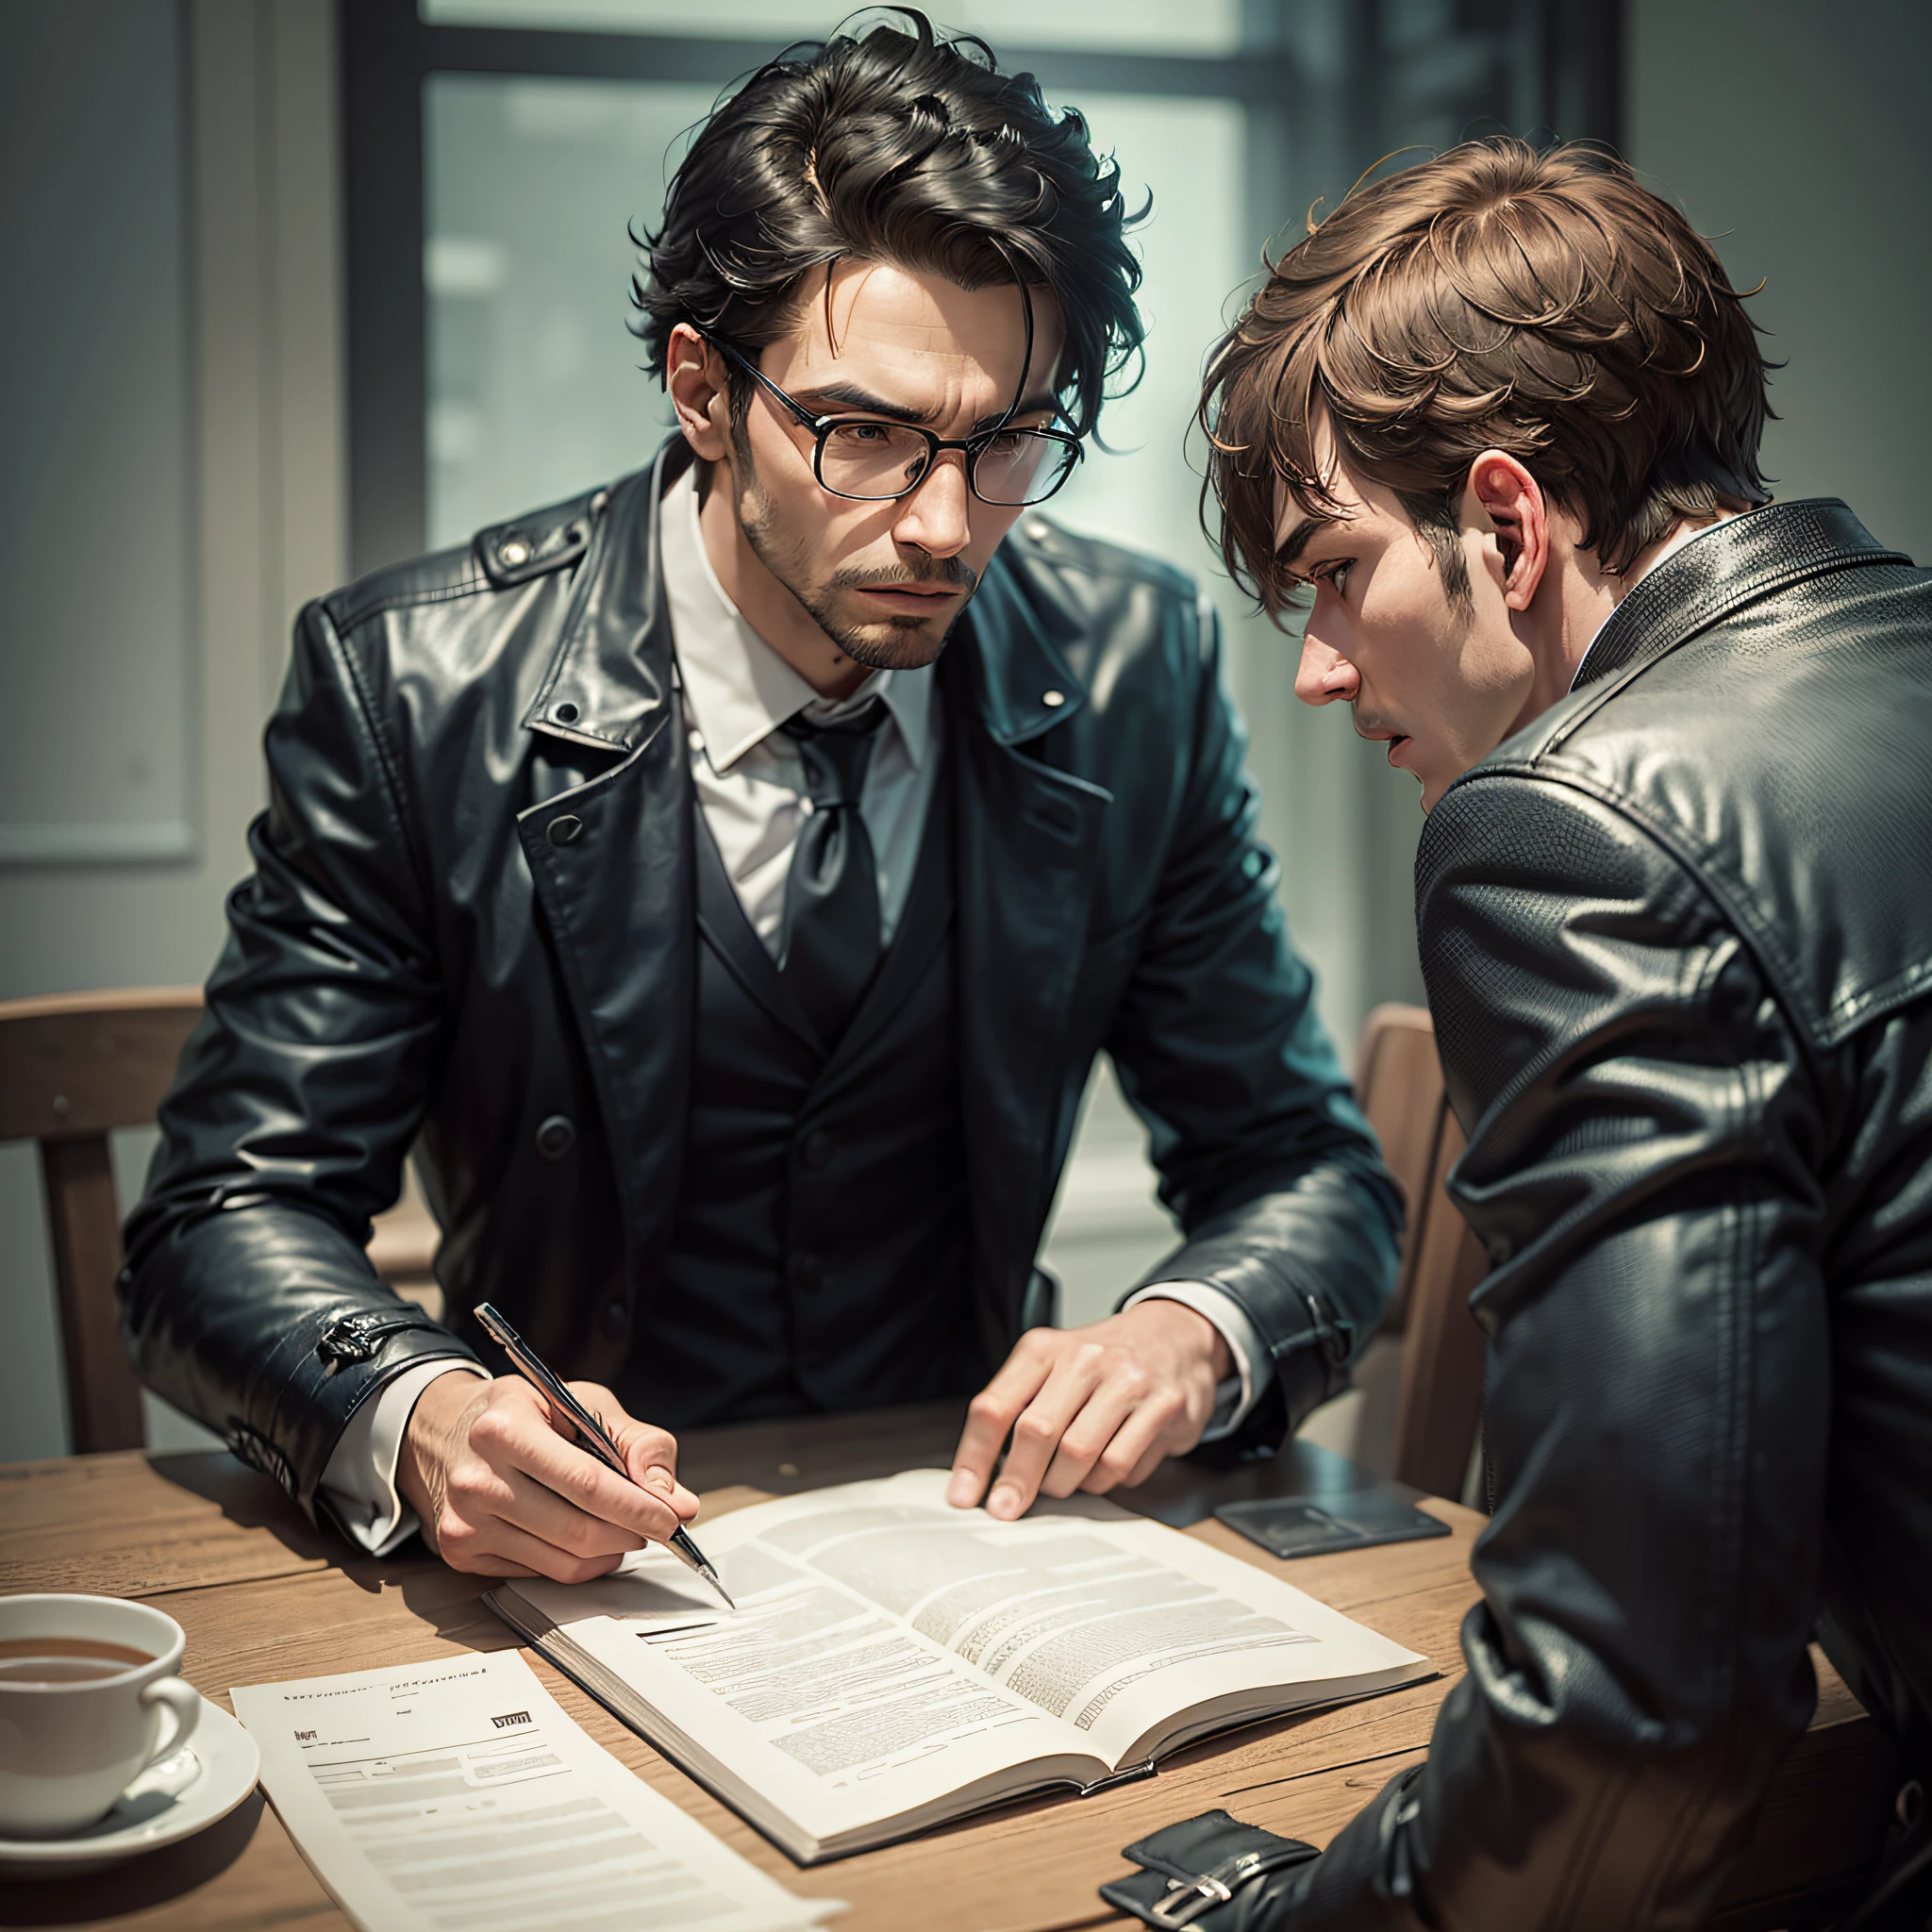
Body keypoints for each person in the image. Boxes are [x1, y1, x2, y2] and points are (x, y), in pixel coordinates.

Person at [122, 13, 1400, 1588]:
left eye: (1009, 441)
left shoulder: (1132, 669)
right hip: (579, 1576)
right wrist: (426, 1413)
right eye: (864, 433)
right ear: (702, 392)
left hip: (984, 1554)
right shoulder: (416, 691)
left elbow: (1304, 1169)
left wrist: (1190, 1331)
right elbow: (215, 1215)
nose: (947, 523)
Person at [1149, 137, 1932, 1929]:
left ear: (1509, 525)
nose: (1318, 667)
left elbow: (1636, 1720)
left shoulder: (1573, 832)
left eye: (1336, 573)